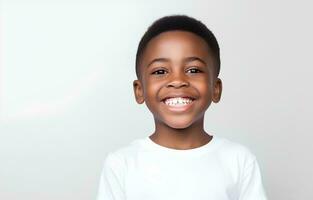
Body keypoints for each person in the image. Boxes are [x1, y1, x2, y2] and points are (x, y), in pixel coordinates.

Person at [96, 15, 268, 200]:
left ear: (215, 88)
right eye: (160, 71)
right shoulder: (121, 164)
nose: (177, 81)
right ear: (140, 90)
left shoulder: (238, 161)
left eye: (193, 70)